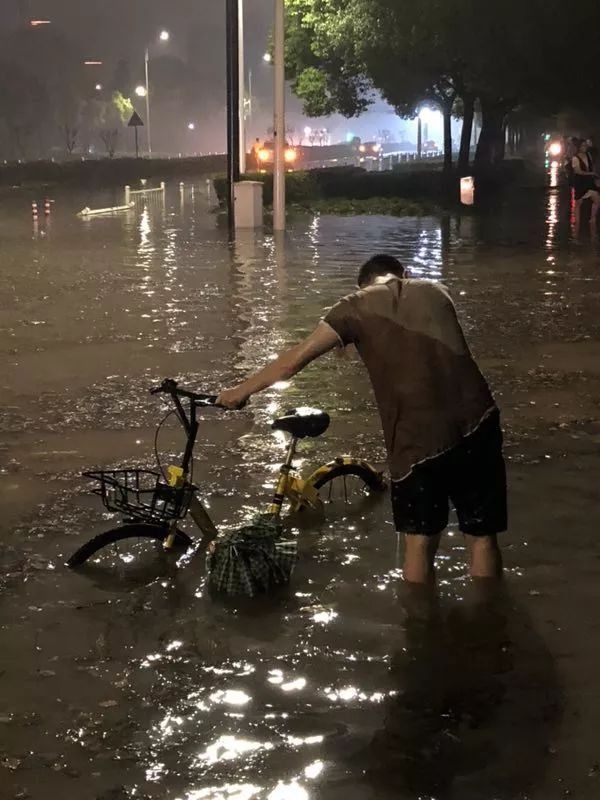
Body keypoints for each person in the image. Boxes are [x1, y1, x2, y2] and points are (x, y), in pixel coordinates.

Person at [217, 255, 506, 585]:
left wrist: (239, 391)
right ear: (404, 275)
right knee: (482, 536)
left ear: (361, 285)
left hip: (418, 442)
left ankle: (422, 628)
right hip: (480, 423)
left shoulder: (353, 307)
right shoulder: (438, 291)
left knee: (419, 543)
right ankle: (490, 623)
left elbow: (292, 363)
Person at [572, 139, 600, 223]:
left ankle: (592, 218)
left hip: (589, 181)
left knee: (597, 199)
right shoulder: (575, 158)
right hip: (580, 182)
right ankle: (577, 221)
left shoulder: (588, 155)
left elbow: (592, 165)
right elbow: (578, 171)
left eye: (585, 146)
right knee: (578, 203)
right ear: (579, 147)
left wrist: (594, 176)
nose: (585, 147)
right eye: (583, 146)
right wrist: (590, 173)